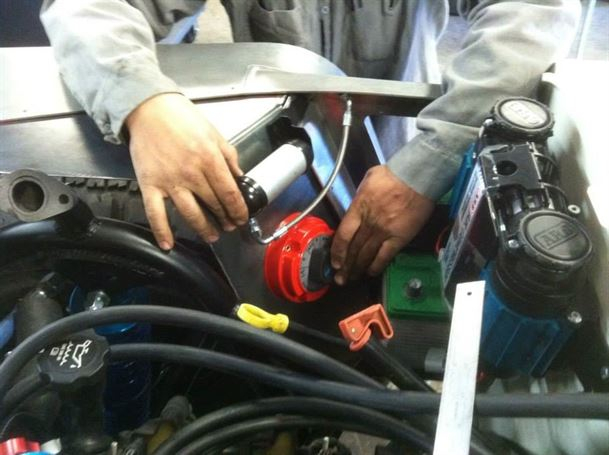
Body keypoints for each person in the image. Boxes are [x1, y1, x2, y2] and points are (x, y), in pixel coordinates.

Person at [40, 0, 580, 286]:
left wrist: (429, 162)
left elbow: (537, 10)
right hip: (286, 175)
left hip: (404, 160)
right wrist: (144, 104)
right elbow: (83, 8)